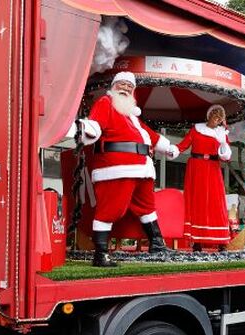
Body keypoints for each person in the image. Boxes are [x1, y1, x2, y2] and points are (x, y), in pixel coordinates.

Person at [70, 71, 179, 266]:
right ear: (113, 87)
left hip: (143, 169)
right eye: (122, 84)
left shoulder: (133, 117)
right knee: (110, 209)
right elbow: (96, 124)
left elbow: (151, 136)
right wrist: (86, 129)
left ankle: (157, 245)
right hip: (117, 167)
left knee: (147, 207)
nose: (126, 88)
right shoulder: (106, 103)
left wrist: (168, 148)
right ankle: (100, 254)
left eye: (130, 86)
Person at [175, 105, 233, 251]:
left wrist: (223, 142)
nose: (216, 117)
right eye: (214, 114)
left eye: (220, 116)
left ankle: (221, 241)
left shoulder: (222, 133)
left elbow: (226, 157)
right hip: (197, 167)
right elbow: (182, 145)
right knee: (197, 202)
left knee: (216, 202)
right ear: (208, 115)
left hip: (213, 168)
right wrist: (168, 149)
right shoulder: (196, 129)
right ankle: (197, 241)